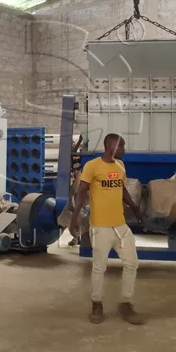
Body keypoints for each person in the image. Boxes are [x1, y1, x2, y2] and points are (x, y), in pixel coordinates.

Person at [70, 133, 146, 325]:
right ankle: (97, 304)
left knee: (132, 263)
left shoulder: (120, 166)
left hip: (120, 225)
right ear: (111, 146)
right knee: (99, 267)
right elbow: (81, 192)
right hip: (100, 226)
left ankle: (126, 303)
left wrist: (135, 208)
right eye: (122, 146)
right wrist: (74, 217)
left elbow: (121, 189)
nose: (124, 150)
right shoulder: (92, 166)